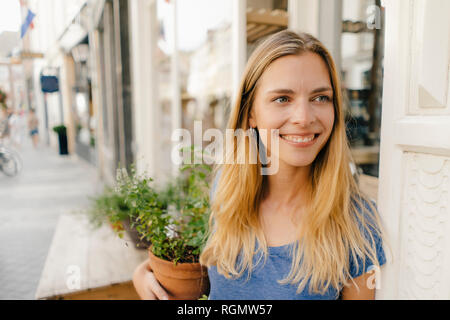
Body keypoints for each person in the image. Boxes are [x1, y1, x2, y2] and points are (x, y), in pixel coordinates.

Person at [132, 30, 387, 300]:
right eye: (282, 99)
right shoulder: (228, 190)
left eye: (320, 97)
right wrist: (144, 276)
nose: (303, 117)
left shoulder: (357, 222)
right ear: (251, 113)